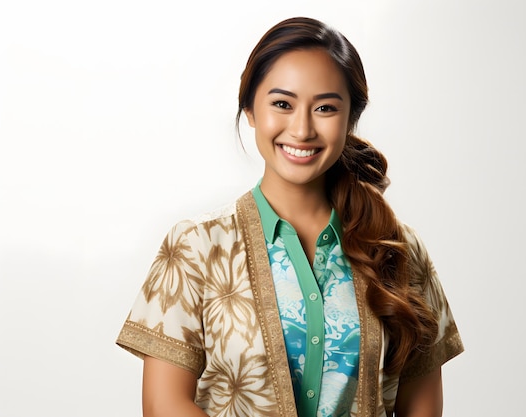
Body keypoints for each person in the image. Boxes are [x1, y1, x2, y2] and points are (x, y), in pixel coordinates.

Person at [116, 16, 463, 417]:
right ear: (249, 108)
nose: (301, 129)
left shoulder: (399, 251)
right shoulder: (196, 248)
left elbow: (421, 407)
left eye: (325, 108)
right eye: (282, 104)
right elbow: (164, 405)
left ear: (351, 118)